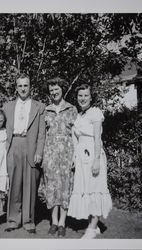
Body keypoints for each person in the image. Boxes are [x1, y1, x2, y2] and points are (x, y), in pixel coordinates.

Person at [67, 83, 112, 239]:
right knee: (86, 189)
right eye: (80, 95)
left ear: (91, 97)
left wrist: (97, 160)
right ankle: (94, 225)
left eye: (86, 95)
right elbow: (76, 140)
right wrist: (74, 157)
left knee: (95, 188)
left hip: (93, 154)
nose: (83, 98)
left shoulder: (95, 112)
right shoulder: (79, 116)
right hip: (81, 157)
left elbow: (97, 139)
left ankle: (91, 229)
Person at [3, 73, 45, 234]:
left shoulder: (39, 106)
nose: (23, 88)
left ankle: (28, 221)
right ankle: (13, 220)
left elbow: (42, 133)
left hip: (31, 146)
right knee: (14, 184)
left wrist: (39, 152)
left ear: (30, 87)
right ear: (16, 88)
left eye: (25, 85)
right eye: (20, 85)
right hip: (13, 144)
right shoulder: (7, 107)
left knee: (30, 185)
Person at [39, 77, 77, 237]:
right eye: (51, 90)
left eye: (57, 89)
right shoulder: (45, 110)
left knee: (65, 188)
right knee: (52, 187)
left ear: (62, 89)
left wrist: (75, 156)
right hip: (50, 155)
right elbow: (41, 134)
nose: (54, 92)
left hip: (67, 154)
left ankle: (63, 222)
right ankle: (54, 221)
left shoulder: (72, 109)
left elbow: (77, 134)